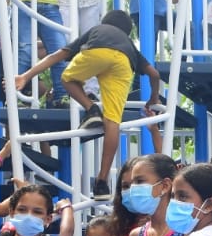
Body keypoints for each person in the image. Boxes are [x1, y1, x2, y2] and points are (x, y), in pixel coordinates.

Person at [13, 10, 163, 199]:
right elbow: (154, 74)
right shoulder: (129, 44)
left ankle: (91, 109)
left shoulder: (99, 30)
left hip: (97, 52)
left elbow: (57, 56)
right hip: (124, 64)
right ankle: (102, 182)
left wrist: (25, 76)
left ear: (105, 22)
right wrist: (154, 97)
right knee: (112, 121)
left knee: (67, 78)